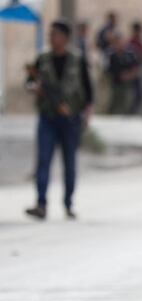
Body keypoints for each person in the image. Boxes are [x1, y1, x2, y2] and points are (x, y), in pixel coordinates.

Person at [25, 20, 94, 221]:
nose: (51, 38)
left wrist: (87, 115)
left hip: (71, 118)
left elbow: (88, 91)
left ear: (65, 37)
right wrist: (34, 88)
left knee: (69, 163)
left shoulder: (77, 60)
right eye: (50, 34)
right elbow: (29, 83)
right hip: (47, 117)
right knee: (43, 160)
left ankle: (68, 203)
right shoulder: (43, 59)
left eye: (55, 34)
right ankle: (41, 203)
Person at [106, 31, 138, 114]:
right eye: (116, 42)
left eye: (120, 41)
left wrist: (129, 75)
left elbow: (135, 68)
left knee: (128, 104)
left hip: (128, 85)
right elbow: (109, 70)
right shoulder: (111, 55)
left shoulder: (130, 54)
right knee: (114, 105)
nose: (118, 44)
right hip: (115, 84)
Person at [127, 21, 142, 114]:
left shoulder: (140, 43)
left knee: (139, 95)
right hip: (130, 72)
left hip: (136, 72)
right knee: (129, 94)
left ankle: (132, 112)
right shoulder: (131, 43)